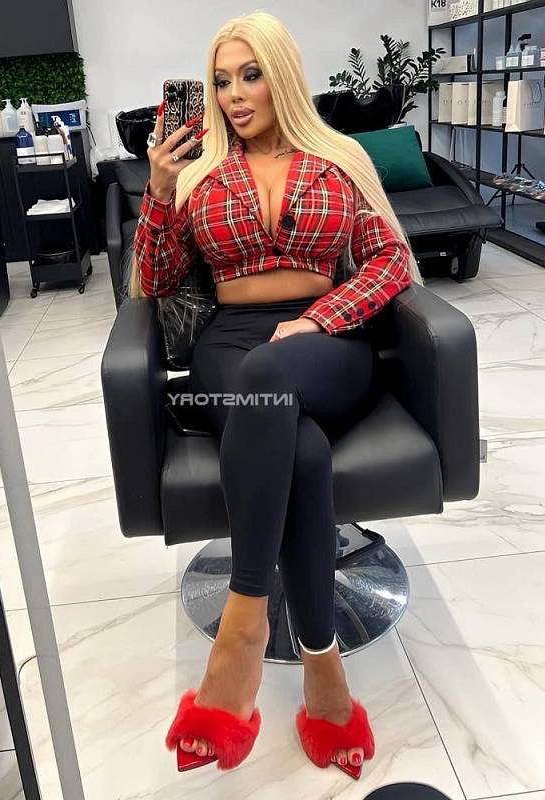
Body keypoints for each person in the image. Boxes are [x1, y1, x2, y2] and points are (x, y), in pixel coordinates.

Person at [129, 10, 420, 781]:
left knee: (272, 374)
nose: (233, 94)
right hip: (229, 345)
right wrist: (158, 191)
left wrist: (319, 318)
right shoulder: (197, 173)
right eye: (221, 80)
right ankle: (323, 667)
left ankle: (242, 630)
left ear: (281, 76)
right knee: (300, 448)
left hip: (327, 342)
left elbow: (389, 262)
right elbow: (155, 285)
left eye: (250, 75)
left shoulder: (338, 160)